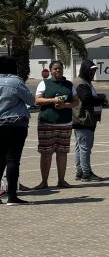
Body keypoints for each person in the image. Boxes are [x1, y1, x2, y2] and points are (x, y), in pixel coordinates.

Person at [34, 60, 76, 189]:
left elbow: (76, 102)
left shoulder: (69, 85)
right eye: (55, 69)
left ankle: (61, 180)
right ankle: (44, 182)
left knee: (62, 153)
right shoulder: (44, 83)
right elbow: (37, 100)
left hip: (65, 123)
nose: (58, 71)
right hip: (47, 123)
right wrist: (53, 100)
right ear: (51, 70)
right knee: (46, 153)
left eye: (60, 68)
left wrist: (64, 105)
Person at [0, 56, 35, 205]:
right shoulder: (16, 81)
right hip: (15, 124)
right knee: (13, 160)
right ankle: (12, 196)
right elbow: (31, 100)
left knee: (0, 160)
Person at [73, 59, 108, 182]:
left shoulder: (84, 82)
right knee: (84, 148)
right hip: (83, 119)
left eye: (94, 71)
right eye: (91, 71)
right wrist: (101, 98)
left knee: (79, 147)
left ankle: (80, 172)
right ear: (85, 70)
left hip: (82, 119)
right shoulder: (81, 83)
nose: (93, 73)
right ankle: (86, 173)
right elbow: (87, 98)